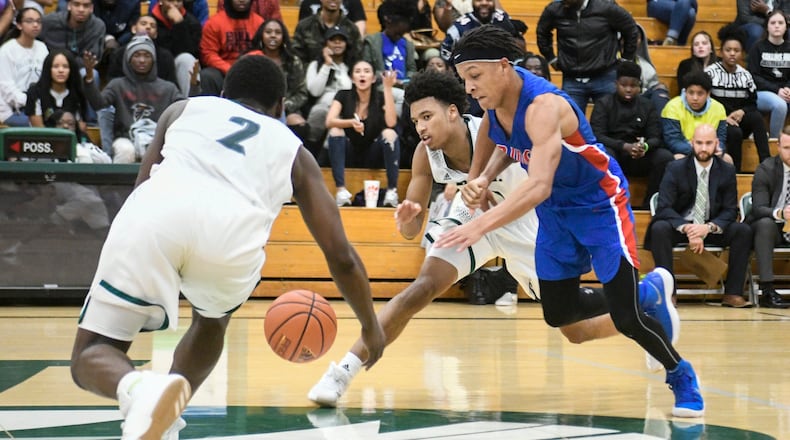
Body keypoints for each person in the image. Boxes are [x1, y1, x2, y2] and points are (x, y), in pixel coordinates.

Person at [307, 68, 681, 407]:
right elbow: (411, 232)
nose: (420, 127)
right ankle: (344, 371)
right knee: (419, 289)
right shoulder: (425, 154)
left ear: (453, 112)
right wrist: (409, 216)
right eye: (415, 120)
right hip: (472, 219)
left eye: (427, 116)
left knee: (575, 330)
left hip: (524, 221)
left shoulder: (495, 128)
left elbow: (542, 179)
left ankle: (646, 297)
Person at [69, 55, 386, 440]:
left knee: (92, 352)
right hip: (232, 238)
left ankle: (140, 390)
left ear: (222, 94)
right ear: (281, 108)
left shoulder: (184, 109)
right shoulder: (294, 150)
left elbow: (142, 184)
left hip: (159, 212)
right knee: (213, 319)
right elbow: (340, 256)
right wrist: (371, 328)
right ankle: (166, 415)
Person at [434, 25, 704, 418]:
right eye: (464, 80)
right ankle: (646, 294)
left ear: (504, 67)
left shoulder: (545, 106)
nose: (470, 88)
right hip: (557, 212)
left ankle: (681, 375)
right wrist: (480, 176)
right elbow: (496, 133)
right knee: (558, 315)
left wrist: (481, 223)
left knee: (627, 318)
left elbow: (539, 185)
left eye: (475, 77)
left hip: (598, 203)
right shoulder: (495, 99)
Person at [645, 124, 754, 308]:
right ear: (691, 143)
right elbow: (664, 207)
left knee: (742, 230)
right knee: (659, 228)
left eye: (709, 143)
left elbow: (730, 210)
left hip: (711, 227)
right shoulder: (674, 168)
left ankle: (733, 293)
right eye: (699, 143)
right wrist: (688, 228)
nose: (704, 148)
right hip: (681, 226)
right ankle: (669, 293)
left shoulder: (726, 170)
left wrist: (708, 227)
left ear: (717, 144)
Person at [82, 35, 185, 163]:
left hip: (156, 139)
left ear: (153, 60)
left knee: (160, 150)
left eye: (147, 56)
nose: (142, 60)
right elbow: (99, 104)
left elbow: (185, 109)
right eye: (137, 55)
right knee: (126, 150)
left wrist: (194, 87)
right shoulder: (117, 85)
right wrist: (89, 77)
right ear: (128, 59)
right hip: (125, 139)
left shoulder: (168, 88)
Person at [590, 61, 672, 209]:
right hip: (616, 154)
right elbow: (597, 135)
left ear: (639, 86)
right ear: (616, 84)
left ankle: (650, 204)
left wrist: (644, 147)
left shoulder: (647, 105)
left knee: (664, 157)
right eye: (624, 85)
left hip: (639, 156)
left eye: (633, 85)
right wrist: (624, 146)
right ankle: (612, 203)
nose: (628, 89)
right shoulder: (604, 103)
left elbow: (656, 136)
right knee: (604, 154)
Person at [536, 0, 639, 112]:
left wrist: (625, 60)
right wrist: (551, 58)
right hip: (572, 78)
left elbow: (631, 30)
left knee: (612, 122)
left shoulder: (607, 7)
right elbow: (542, 32)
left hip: (605, 75)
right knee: (571, 125)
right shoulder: (554, 9)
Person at [326, 60, 400, 207]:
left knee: (389, 133)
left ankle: (392, 191)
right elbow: (329, 121)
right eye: (358, 71)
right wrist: (350, 123)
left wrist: (387, 88)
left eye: (366, 71)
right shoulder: (343, 95)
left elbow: (391, 122)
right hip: (349, 152)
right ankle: (341, 190)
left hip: (373, 154)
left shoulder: (380, 96)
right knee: (335, 130)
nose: (362, 74)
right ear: (352, 78)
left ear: (373, 78)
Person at [705, 25, 770, 172]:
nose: (732, 54)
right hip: (718, 122)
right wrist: (723, 117)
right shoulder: (709, 73)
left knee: (757, 118)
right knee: (735, 133)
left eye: (736, 50)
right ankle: (736, 172)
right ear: (721, 52)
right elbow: (705, 102)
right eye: (728, 50)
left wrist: (742, 111)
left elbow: (752, 103)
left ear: (742, 53)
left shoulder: (745, 75)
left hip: (739, 120)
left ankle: (766, 164)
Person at [745, 126, 790, 308]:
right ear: (778, 147)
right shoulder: (766, 169)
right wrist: (781, 213)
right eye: (787, 148)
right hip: (775, 228)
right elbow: (758, 208)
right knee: (765, 224)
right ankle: (767, 290)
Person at [248, 19, 310, 142]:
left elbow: (302, 93)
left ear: (283, 37)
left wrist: (283, 107)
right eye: (268, 32)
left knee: (300, 124)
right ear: (261, 35)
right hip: (257, 109)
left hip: (286, 108)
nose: (273, 35)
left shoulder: (293, 61)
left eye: (277, 32)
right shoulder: (251, 59)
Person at [304, 25, 355, 156]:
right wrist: (327, 64)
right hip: (323, 108)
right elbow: (314, 91)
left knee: (337, 121)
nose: (337, 43)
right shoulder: (315, 65)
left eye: (341, 40)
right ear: (326, 43)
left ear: (346, 44)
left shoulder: (352, 66)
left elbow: (351, 91)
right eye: (333, 40)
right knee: (320, 112)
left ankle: (324, 160)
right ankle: (312, 153)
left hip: (346, 109)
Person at [661, 71, 730, 161]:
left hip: (710, 151)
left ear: (708, 94)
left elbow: (721, 139)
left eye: (700, 93)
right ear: (685, 92)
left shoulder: (719, 108)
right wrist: (700, 150)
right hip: (684, 152)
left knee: (727, 159)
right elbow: (673, 142)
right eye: (691, 93)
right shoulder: (672, 107)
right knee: (678, 158)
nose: (695, 98)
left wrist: (713, 149)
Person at [199, 0, 264, 96]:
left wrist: (245, 65)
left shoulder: (259, 22)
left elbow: (264, 51)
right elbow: (208, 54)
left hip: (250, 69)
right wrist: (230, 69)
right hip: (222, 71)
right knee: (207, 75)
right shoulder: (213, 23)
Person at [0, 7, 48, 127]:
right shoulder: (7, 50)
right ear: (19, 25)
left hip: (38, 106)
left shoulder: (42, 48)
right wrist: (31, 102)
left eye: (38, 21)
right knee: (40, 125)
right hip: (12, 109)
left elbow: (46, 80)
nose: (35, 25)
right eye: (30, 21)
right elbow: (6, 88)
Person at [748, 10, 790, 139]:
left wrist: (788, 88)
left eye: (780, 23)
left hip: (785, 91)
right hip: (762, 93)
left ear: (786, 26)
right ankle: (774, 140)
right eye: (773, 23)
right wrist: (777, 90)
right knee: (780, 105)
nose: (776, 26)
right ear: (767, 26)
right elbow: (753, 76)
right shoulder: (757, 47)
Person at [25, 49, 89, 130]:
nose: (61, 70)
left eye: (65, 67)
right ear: (48, 69)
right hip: (43, 140)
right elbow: (38, 128)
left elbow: (80, 126)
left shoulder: (77, 93)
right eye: (56, 66)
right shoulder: (35, 92)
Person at [150, 0, 203, 96]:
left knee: (186, 59)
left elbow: (190, 51)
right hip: (157, 63)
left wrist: (179, 24)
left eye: (178, 1)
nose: (175, 4)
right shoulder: (150, 21)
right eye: (170, 0)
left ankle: (190, 103)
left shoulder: (192, 22)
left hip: (179, 64)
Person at [292, 0, 362, 69]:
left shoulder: (352, 29)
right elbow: (296, 59)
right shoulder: (304, 26)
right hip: (310, 76)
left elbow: (357, 60)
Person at [439, 0, 516, 63]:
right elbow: (445, 53)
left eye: (489, 0)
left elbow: (518, 47)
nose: (484, 3)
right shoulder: (459, 27)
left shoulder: (503, 19)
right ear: (472, 2)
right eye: (479, 0)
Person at [40, 0, 106, 69]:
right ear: (69, 6)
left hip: (79, 69)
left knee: (91, 73)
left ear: (91, 8)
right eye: (76, 5)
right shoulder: (50, 21)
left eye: (86, 6)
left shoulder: (97, 26)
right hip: (52, 66)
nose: (81, 10)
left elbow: (93, 60)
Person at [299, 0, 366, 37]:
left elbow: (359, 33)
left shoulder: (354, 2)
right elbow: (302, 32)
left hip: (344, 47)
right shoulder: (307, 3)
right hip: (314, 48)